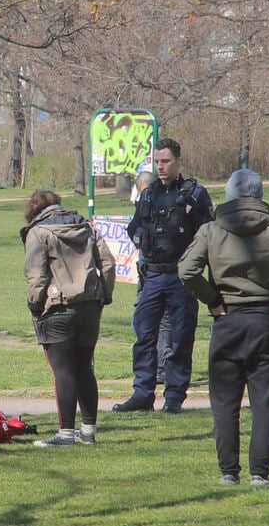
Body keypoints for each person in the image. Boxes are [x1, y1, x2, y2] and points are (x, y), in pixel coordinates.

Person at [179, 169, 269, 486]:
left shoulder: (211, 230)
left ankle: (229, 472)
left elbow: (187, 271)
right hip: (267, 321)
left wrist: (213, 300)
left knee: (225, 403)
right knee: (264, 403)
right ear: (258, 195)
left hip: (227, 320)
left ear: (227, 195)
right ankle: (260, 473)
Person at [115, 138, 213, 413]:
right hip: (153, 276)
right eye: (157, 161)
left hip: (182, 277)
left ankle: (174, 397)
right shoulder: (148, 194)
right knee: (144, 336)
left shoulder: (194, 194)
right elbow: (134, 230)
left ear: (179, 161)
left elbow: (208, 235)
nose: (160, 166)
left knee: (180, 338)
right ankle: (143, 394)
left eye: (166, 161)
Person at [21, 191, 115, 447]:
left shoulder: (38, 232)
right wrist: (104, 296)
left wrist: (34, 305)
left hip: (57, 307)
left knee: (63, 371)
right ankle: (88, 430)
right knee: (85, 367)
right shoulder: (86, 227)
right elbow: (107, 263)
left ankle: (65, 434)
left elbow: (36, 275)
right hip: (89, 306)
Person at [132, 170, 172, 384]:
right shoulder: (173, 203)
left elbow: (134, 234)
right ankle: (163, 366)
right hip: (160, 270)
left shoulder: (146, 207)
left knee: (150, 319)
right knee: (165, 321)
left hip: (152, 271)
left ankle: (156, 367)